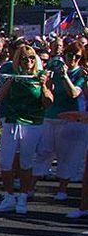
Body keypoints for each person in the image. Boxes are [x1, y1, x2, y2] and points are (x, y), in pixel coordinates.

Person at [0, 44, 53, 214]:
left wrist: (44, 86)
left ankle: (23, 197)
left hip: (33, 124)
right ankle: (9, 196)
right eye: (25, 58)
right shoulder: (13, 76)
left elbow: (48, 102)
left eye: (32, 58)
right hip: (12, 122)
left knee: (26, 162)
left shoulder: (41, 77)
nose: (29, 62)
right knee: (5, 162)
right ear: (19, 60)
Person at [35, 43, 86, 201]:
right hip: (50, 117)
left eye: (77, 57)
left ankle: (62, 190)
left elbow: (74, 94)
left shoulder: (81, 74)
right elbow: (48, 94)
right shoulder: (55, 71)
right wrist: (44, 83)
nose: (72, 59)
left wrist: (65, 77)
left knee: (66, 156)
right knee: (43, 152)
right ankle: (29, 188)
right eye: (70, 55)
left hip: (69, 120)